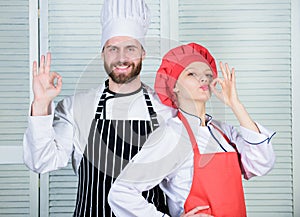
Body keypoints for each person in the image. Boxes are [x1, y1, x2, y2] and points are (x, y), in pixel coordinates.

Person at [23, 0, 175, 216]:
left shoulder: (166, 110)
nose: (121, 58)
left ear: (143, 53)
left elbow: (179, 181)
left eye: (130, 48)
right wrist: (40, 103)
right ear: (103, 53)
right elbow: (41, 162)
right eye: (113, 49)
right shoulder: (77, 106)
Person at [108, 42, 276, 217]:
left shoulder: (224, 132)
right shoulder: (173, 135)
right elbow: (122, 192)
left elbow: (262, 163)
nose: (203, 79)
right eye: (192, 74)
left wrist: (235, 104)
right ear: (174, 86)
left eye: (207, 74)